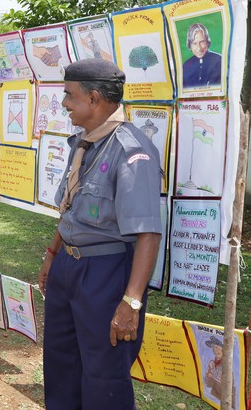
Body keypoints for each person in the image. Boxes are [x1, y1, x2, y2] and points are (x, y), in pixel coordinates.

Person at [37, 59, 162, 408]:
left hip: (106, 274)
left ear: (94, 99)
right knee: (61, 366)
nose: (64, 103)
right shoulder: (83, 143)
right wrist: (52, 254)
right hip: (68, 268)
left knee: (103, 377)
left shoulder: (130, 149)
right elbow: (72, 209)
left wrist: (131, 302)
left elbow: (148, 233)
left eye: (69, 96)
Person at [182, 23, 222, 89]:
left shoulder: (219, 61)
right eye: (194, 43)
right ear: (190, 45)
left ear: (207, 41)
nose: (199, 48)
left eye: (202, 42)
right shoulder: (186, 66)